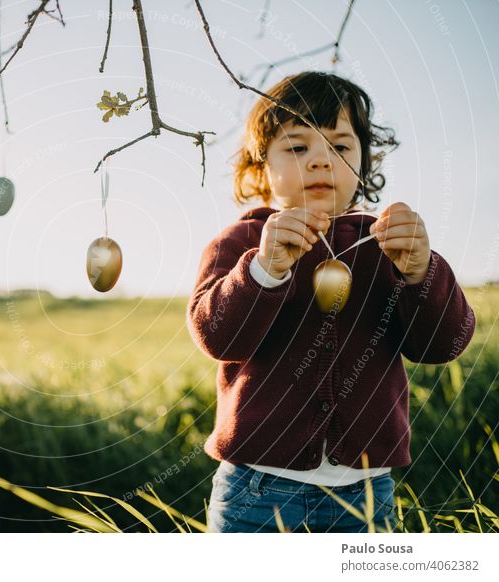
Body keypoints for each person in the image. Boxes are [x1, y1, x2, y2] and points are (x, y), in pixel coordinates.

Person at [187, 71, 476, 533]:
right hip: (258, 488)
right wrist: (264, 270)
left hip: (365, 490)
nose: (321, 161)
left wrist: (422, 271)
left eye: (340, 147)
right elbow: (218, 336)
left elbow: (441, 345)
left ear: (364, 161)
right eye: (298, 147)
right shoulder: (243, 241)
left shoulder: (386, 244)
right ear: (261, 166)